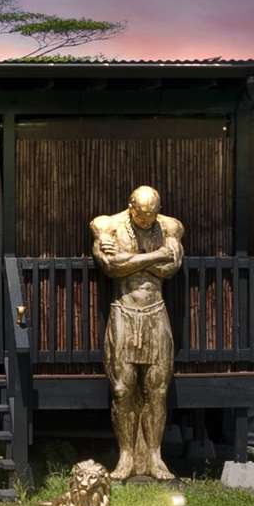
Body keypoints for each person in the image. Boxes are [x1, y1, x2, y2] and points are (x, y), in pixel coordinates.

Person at [89, 184, 183, 481]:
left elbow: (172, 267)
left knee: (158, 389)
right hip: (123, 311)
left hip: (156, 311)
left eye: (152, 214)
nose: (147, 219)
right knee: (122, 389)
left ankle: (155, 456)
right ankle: (126, 456)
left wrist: (132, 260)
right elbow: (112, 267)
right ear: (131, 207)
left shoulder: (170, 227)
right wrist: (157, 255)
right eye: (142, 214)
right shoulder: (108, 225)